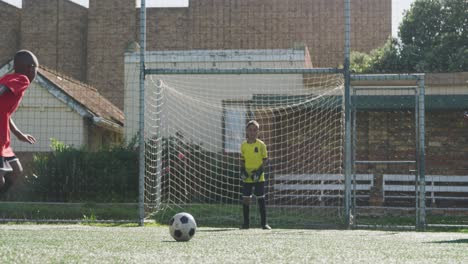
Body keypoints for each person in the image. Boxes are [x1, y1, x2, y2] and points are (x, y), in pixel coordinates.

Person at [0, 50, 38, 198]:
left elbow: (5, 112)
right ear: (31, 67)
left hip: (4, 138)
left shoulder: (8, 78)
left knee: (15, 170)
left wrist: (18, 134)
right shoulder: (22, 79)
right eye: (37, 70)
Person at [240, 120, 271, 230]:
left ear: (258, 131)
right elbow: (242, 160)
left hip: (258, 177)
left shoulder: (261, 145)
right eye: (250, 130)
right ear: (247, 131)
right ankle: (246, 224)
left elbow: (265, 160)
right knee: (246, 199)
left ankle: (264, 224)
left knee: (261, 199)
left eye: (254, 130)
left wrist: (258, 172)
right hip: (247, 177)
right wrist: (243, 170)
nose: (252, 132)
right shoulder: (243, 145)